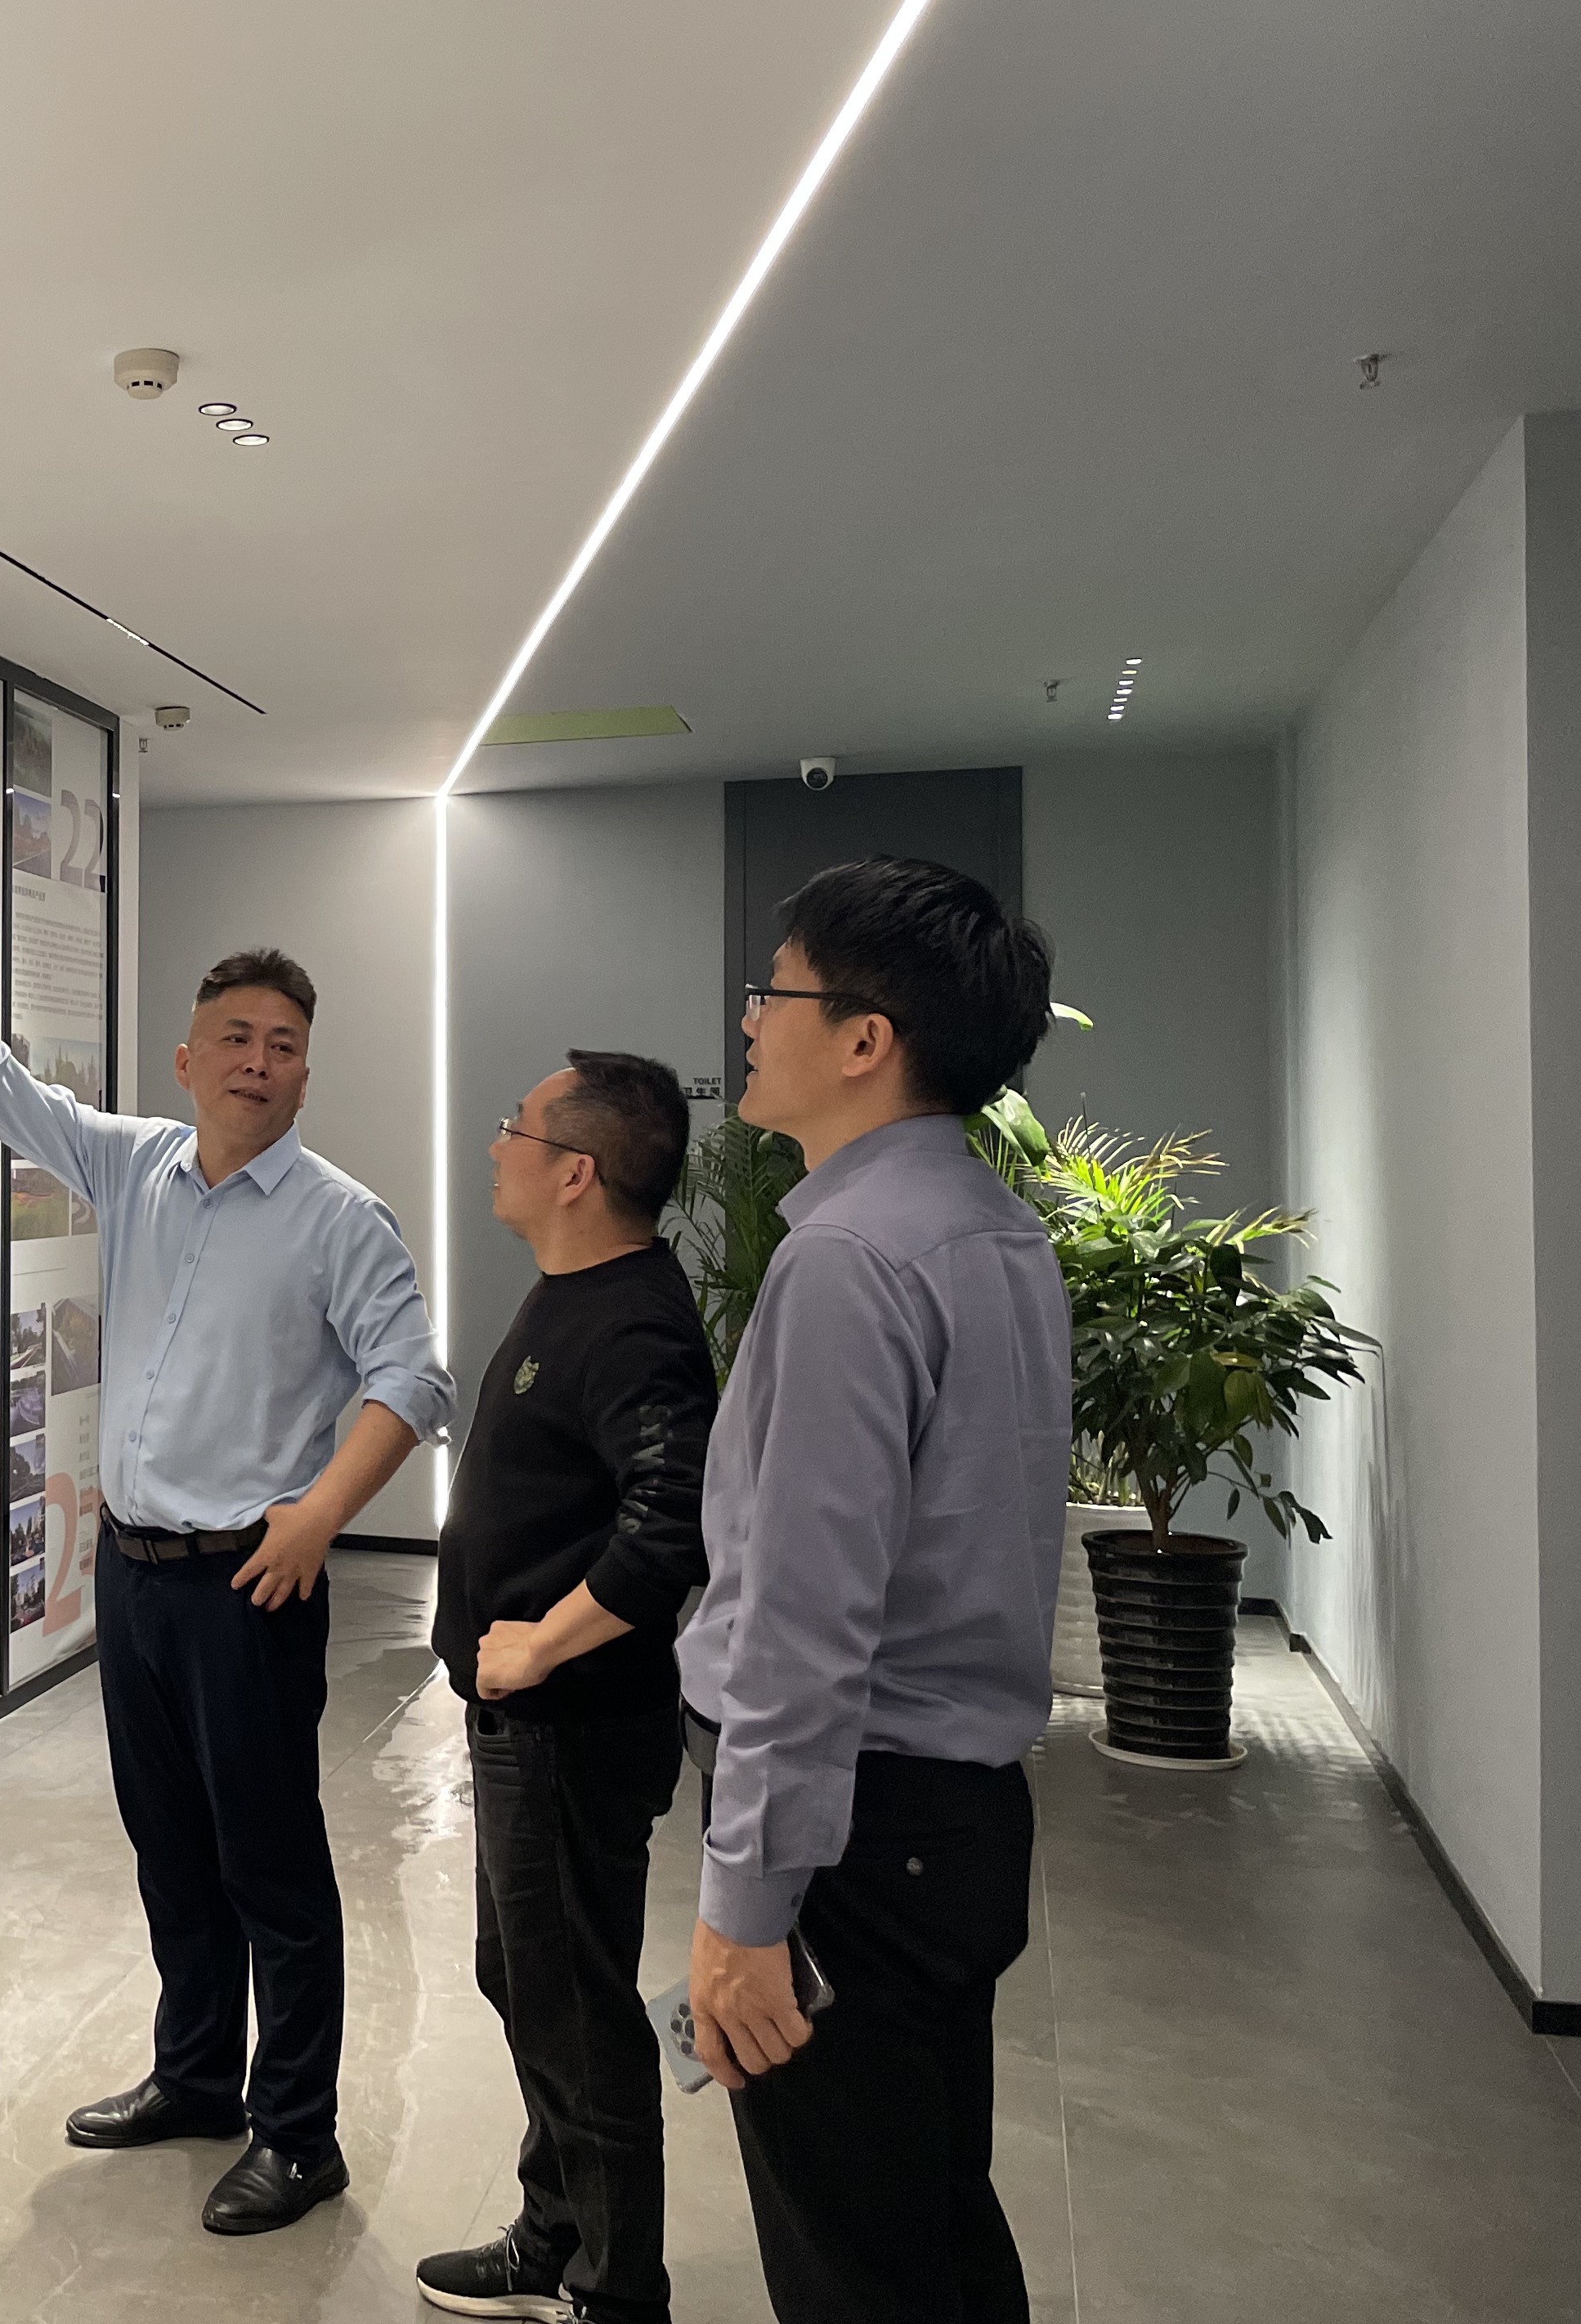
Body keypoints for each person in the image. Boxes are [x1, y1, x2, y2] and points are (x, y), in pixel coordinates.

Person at [0, 923, 451, 2237]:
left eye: (284, 1046)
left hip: (250, 1587)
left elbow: (414, 1380)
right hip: (138, 1575)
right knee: (172, 1847)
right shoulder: (137, 1163)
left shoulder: (340, 1219)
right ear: (187, 1059)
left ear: (305, 1073)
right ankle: (198, 2078)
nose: (258, 1062)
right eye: (236, 1039)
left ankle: (299, 2136)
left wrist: (322, 1517)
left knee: (271, 1867)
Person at [679, 856, 1069, 2324]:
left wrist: (747, 1907)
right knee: (930, 2225)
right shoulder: (988, 1227)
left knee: (857, 2261)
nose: (750, 1020)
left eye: (773, 990)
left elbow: (805, 1618)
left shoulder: (847, 1258)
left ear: (864, 1038)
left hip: (852, 1833)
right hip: (946, 1823)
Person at [418, 1051, 714, 2324]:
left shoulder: (633, 1323)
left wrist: (542, 1644)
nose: (497, 1145)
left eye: (517, 1127)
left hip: (570, 1729)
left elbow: (673, 1522)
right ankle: (554, 2232)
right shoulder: (576, 1293)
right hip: (527, 1727)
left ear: (576, 1171)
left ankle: (615, 2288)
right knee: (530, 1983)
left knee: (577, 2009)